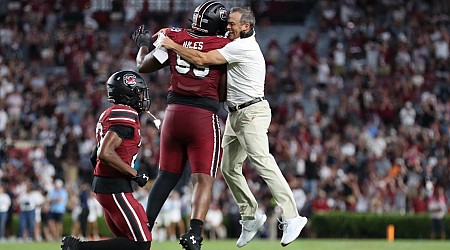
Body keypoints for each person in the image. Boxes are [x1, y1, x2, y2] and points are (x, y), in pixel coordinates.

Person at [159, 6, 308, 247]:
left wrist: (172, 44)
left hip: (251, 112)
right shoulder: (236, 42)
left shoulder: (242, 47)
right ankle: (250, 216)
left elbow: (201, 58)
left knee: (262, 161)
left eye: (233, 24)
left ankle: (292, 216)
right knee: (228, 167)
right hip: (236, 113)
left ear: (246, 27)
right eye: (228, 23)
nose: (228, 27)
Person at [132, 1, 229, 249]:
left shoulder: (175, 36)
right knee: (203, 179)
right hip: (202, 116)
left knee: (166, 175)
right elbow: (222, 92)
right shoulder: (225, 45)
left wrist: (143, 46)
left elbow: (143, 66)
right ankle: (194, 233)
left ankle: (145, 227)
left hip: (173, 115)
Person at [61, 70, 152, 250]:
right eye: (139, 92)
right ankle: (78, 248)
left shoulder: (109, 112)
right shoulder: (126, 113)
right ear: (128, 93)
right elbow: (105, 153)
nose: (142, 97)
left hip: (106, 185)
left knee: (124, 242)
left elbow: (94, 155)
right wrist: (134, 174)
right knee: (141, 244)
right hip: (115, 187)